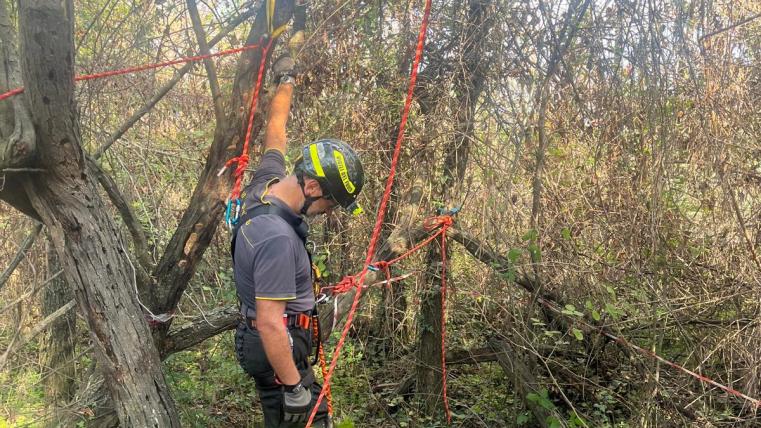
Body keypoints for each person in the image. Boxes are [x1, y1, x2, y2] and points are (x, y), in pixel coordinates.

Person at [232, 53, 364, 428]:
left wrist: (286, 80)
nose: (330, 211)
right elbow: (272, 324)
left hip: (273, 345)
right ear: (311, 186)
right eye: (330, 202)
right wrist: (293, 387)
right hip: (277, 353)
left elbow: (276, 133)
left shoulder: (265, 185)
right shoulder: (277, 239)